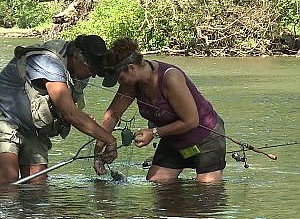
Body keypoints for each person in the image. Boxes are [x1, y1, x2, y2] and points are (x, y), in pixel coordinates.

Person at [94, 37, 226, 183]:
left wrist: (153, 133)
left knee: (208, 189)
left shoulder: (170, 78)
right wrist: (99, 149)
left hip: (206, 136)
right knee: (157, 182)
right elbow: (113, 115)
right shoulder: (131, 82)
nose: (120, 82)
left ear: (131, 68)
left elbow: (191, 121)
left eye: (120, 78)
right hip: (174, 139)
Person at [0, 35, 117, 185]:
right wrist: (109, 139)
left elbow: (66, 108)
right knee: (8, 182)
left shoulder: (77, 70)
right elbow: (70, 113)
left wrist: (84, 118)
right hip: (6, 118)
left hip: (33, 129)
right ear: (76, 57)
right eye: (92, 68)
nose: (93, 74)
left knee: (38, 184)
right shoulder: (49, 63)